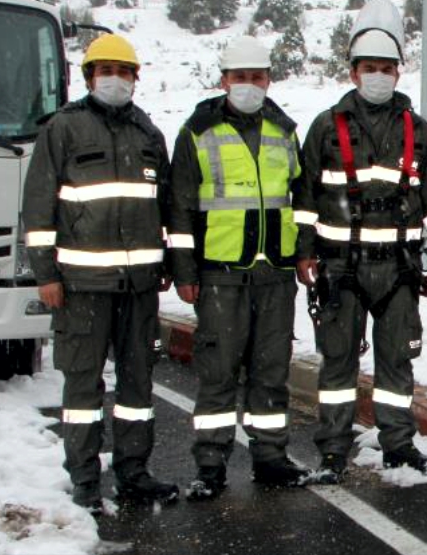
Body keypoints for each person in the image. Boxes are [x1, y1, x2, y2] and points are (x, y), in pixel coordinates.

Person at [294, 0, 427, 482]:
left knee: (396, 362)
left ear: (399, 72)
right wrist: (304, 251)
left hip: (399, 268)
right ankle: (334, 446)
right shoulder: (326, 126)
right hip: (340, 267)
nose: (378, 76)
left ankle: (398, 443)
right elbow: (306, 197)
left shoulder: (418, 130)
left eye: (386, 68)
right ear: (353, 71)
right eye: (369, 68)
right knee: (338, 365)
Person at [22, 34, 178, 513]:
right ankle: (85, 480)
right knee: (83, 387)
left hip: (139, 288)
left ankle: (134, 472)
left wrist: (169, 264)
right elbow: (37, 207)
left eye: (123, 70)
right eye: (105, 70)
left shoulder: (149, 133)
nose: (115, 78)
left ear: (136, 78)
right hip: (81, 287)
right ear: (89, 77)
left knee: (137, 387)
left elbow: (166, 206)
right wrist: (45, 274)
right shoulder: (64, 129)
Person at [167, 36, 310, 500]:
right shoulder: (198, 131)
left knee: (271, 370)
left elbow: (301, 200)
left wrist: (303, 251)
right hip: (221, 272)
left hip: (275, 273)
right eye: (240, 78)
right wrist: (185, 271)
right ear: (224, 80)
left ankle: (270, 456)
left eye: (257, 77)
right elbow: (182, 208)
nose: (249, 85)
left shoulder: (284, 129)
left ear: (268, 79)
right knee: (219, 371)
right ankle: (210, 463)